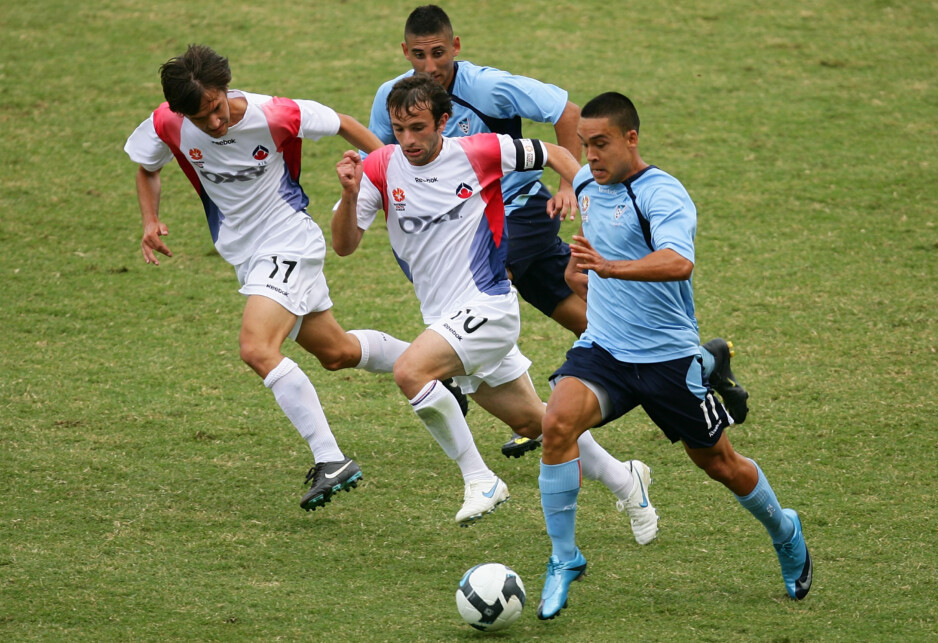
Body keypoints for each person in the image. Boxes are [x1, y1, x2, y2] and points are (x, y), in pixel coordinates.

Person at [369, 4, 748, 459]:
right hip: (461, 218)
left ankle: (455, 383)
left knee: (484, 285)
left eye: (437, 54)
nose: (429, 68)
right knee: (570, 306)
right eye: (418, 55)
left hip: (518, 209)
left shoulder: (488, 86)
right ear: (403, 51)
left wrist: (570, 183)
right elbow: (386, 156)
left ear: (455, 47)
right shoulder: (395, 96)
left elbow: (566, 112)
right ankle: (703, 362)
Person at [332, 75, 658, 542]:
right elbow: (344, 246)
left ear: (443, 121)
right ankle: (627, 480)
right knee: (536, 422)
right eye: (399, 129)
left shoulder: (478, 151)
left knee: (410, 371)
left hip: (489, 305)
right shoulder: (381, 167)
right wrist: (348, 194)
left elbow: (555, 152)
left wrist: (574, 190)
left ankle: (480, 479)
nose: (408, 140)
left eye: (418, 128)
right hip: (446, 319)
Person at [535, 93, 812, 620]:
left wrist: (610, 268)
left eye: (601, 143)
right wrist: (581, 276)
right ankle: (565, 557)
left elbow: (678, 261)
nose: (590, 155)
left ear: (630, 139)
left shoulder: (662, 194)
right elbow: (592, 264)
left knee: (719, 464)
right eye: (584, 144)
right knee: (556, 426)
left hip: (665, 358)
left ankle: (785, 529)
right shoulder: (590, 187)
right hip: (606, 349)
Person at [124, 44, 425, 512]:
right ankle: (437, 368)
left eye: (218, 109)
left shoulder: (275, 115)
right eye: (202, 118)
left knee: (256, 348)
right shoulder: (168, 122)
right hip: (247, 257)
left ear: (226, 90)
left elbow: (343, 121)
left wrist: (394, 169)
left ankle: (332, 459)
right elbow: (147, 167)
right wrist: (149, 219)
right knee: (337, 352)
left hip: (288, 241)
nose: (215, 123)